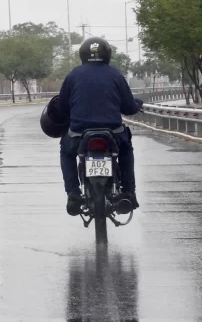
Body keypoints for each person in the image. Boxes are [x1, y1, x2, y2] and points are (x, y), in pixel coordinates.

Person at [58, 37, 142, 216]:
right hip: (113, 132)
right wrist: (138, 104)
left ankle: (73, 194)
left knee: (66, 151)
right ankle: (128, 192)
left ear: (82, 55)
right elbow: (128, 107)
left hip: (79, 133)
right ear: (107, 55)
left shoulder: (73, 75)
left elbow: (62, 106)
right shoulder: (115, 75)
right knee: (126, 150)